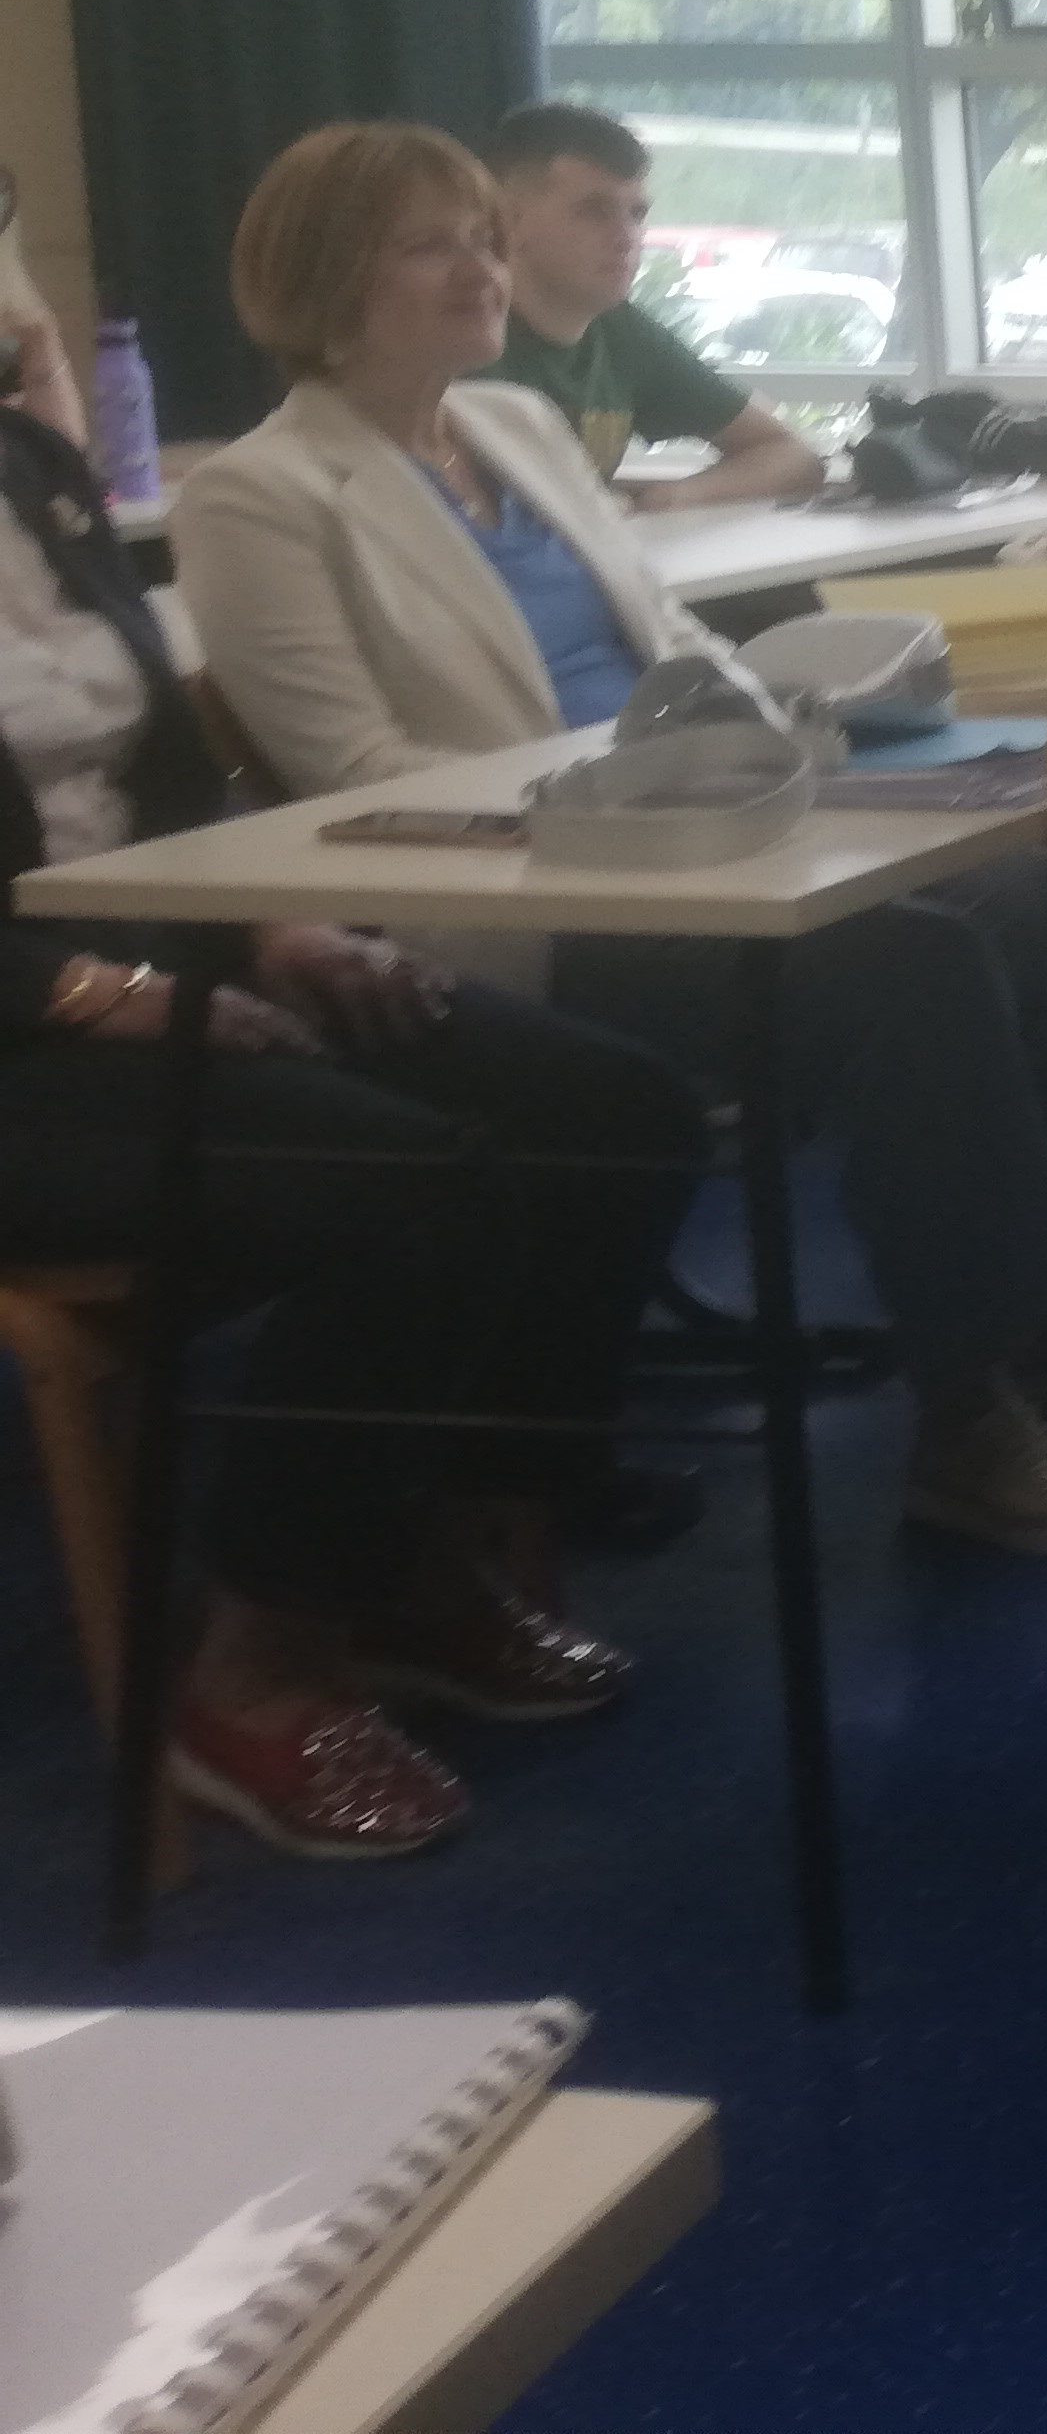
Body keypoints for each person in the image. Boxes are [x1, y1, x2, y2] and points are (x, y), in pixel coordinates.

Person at [167, 122, 1047, 1559]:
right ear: (321, 280)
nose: (482, 268)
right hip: (528, 895)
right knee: (910, 970)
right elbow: (357, 777)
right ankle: (969, 1410)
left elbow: (672, 639)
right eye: (433, 245)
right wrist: (646, 806)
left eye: (485, 238)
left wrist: (779, 747)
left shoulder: (519, 426)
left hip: (710, 818)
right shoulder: (258, 495)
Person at [0, 336, 707, 1859]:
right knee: (414, 1189)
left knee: (610, 1112)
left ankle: (429, 1558)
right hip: (27, 1038)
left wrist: (274, 922)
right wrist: (98, 994)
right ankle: (256, 1667)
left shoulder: (35, 469)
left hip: (163, 955)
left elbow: (170, 771)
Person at [481, 101, 827, 508]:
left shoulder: (620, 332)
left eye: (637, 214)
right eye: (594, 212)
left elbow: (794, 456)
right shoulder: (456, 334)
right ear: (507, 220)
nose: (625, 237)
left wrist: (667, 498)